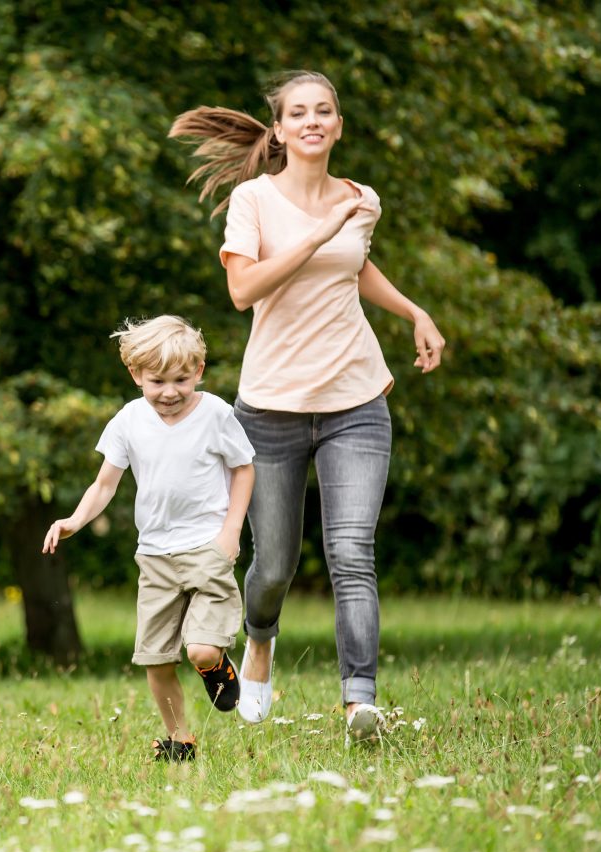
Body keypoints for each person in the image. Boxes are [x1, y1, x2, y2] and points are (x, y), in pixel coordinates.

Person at [170, 70, 446, 741]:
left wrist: (413, 310)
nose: (314, 120)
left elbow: (355, 266)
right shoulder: (253, 201)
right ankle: (260, 640)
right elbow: (243, 289)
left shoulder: (362, 201)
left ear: (339, 125)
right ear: (281, 129)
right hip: (270, 408)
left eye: (326, 110)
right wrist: (318, 232)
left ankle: (359, 701)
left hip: (356, 398)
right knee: (272, 568)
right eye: (300, 112)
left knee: (352, 550)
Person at [42, 316, 255, 762]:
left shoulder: (216, 414)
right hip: (154, 557)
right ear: (136, 375)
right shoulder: (128, 420)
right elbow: (104, 485)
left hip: (207, 548)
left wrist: (231, 531)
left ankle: (215, 666)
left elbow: (243, 467)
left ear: (199, 370)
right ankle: (180, 739)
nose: (170, 392)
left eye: (181, 379)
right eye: (157, 381)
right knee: (156, 660)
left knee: (199, 649)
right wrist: (74, 521)